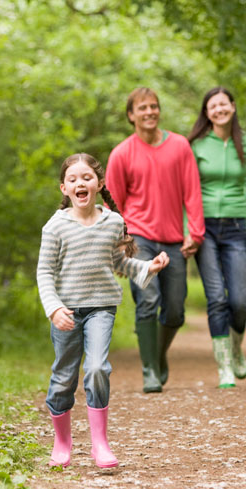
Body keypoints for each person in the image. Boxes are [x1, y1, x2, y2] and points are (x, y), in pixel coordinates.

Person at [37, 153, 170, 468]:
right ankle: (62, 442)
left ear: (97, 184)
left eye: (86, 177)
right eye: (73, 179)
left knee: (97, 368)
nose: (80, 183)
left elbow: (118, 263)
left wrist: (148, 267)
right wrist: (54, 308)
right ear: (64, 188)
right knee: (63, 378)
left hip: (101, 308)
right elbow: (44, 272)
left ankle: (99, 444)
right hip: (66, 312)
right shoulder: (55, 227)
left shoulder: (113, 221)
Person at [106, 87, 205, 394]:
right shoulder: (122, 153)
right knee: (148, 301)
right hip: (139, 240)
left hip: (174, 240)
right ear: (131, 115)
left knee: (175, 309)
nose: (149, 112)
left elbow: (192, 191)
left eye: (154, 106)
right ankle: (149, 369)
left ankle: (157, 355)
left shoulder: (179, 146)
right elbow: (113, 203)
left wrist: (195, 232)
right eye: (142, 108)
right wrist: (121, 242)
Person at [187, 86, 246, 388]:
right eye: (212, 106)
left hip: (235, 227)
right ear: (206, 112)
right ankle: (224, 367)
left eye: (223, 104)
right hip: (204, 228)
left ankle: (236, 347)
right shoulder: (197, 145)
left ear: (232, 106)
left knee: (239, 300)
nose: (219, 109)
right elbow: (187, 189)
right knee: (216, 298)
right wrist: (188, 228)